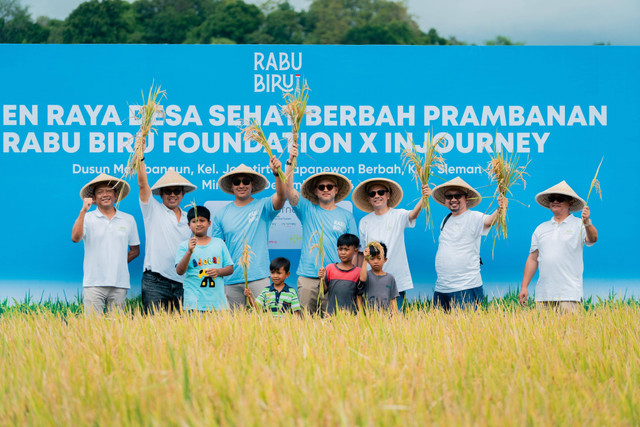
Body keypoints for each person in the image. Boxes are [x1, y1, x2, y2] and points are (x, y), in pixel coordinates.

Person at [285, 143, 358, 315]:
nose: (325, 190)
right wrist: (290, 162)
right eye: (321, 187)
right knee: (304, 325)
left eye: (329, 187)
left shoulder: (346, 216)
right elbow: (289, 191)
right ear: (315, 191)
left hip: (336, 278)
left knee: (332, 325)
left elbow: (355, 251)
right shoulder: (307, 208)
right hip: (308, 277)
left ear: (336, 190)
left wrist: (351, 277)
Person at [212, 159, 285, 310]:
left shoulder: (263, 206)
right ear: (231, 187)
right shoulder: (221, 214)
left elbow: (282, 197)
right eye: (237, 182)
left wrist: (277, 174)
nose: (241, 185)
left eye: (246, 181)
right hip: (231, 280)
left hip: (258, 277)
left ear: (252, 184)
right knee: (234, 327)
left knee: (264, 323)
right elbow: (217, 249)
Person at [519, 181, 598, 312]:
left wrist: (587, 223)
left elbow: (593, 238)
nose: (555, 201)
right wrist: (524, 286)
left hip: (569, 294)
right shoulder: (541, 228)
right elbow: (533, 259)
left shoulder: (579, 224)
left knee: (571, 332)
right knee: (541, 332)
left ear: (570, 202)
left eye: (560, 198)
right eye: (552, 198)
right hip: (543, 295)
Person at [430, 176, 507, 310]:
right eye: (449, 196)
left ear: (466, 199)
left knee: (465, 328)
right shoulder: (445, 220)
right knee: (441, 329)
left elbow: (489, 221)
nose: (453, 199)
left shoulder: (474, 217)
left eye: (457, 195)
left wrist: (501, 208)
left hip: (465, 287)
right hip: (442, 287)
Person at [353, 178, 429, 310]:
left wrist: (424, 198)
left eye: (381, 192)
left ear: (388, 195)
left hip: (396, 280)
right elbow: (363, 254)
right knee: (374, 322)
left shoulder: (398, 215)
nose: (377, 196)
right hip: (373, 282)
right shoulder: (365, 222)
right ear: (368, 198)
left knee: (396, 322)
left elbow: (413, 215)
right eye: (372, 194)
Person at [71, 173, 140, 314]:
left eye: (109, 191)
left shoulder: (128, 219)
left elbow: (135, 250)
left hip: (119, 284)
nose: (105, 194)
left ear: (116, 195)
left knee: (116, 330)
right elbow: (75, 238)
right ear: (94, 198)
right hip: (93, 284)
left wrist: (117, 262)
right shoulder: (87, 218)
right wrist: (83, 211)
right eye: (100, 192)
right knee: (92, 329)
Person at [138, 156, 197, 313]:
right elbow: (143, 185)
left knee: (179, 333)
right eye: (168, 192)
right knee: (153, 330)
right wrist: (141, 157)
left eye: (176, 191)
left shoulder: (189, 219)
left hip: (183, 283)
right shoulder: (153, 210)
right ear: (161, 194)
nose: (172, 195)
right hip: (155, 282)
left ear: (183, 194)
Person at [175, 206, 234, 312]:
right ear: (189, 225)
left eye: (202, 220)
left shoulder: (219, 243)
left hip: (217, 303)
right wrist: (189, 252)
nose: (198, 224)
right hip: (193, 303)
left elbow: (230, 268)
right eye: (194, 221)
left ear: (209, 223)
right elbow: (179, 271)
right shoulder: (184, 246)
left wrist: (218, 271)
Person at [318, 233, 362, 315]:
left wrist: (360, 314)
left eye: (346, 249)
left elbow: (359, 297)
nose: (343, 252)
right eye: (340, 249)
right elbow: (323, 291)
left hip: (351, 316)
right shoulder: (330, 268)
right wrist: (322, 279)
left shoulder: (358, 272)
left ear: (355, 251)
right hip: (331, 315)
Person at [359, 242, 399, 313]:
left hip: (386, 317)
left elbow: (393, 300)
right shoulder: (366, 275)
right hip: (369, 317)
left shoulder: (390, 278)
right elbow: (362, 279)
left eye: (379, 258)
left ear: (385, 260)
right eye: (372, 258)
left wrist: (394, 317)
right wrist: (365, 259)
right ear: (368, 260)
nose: (376, 262)